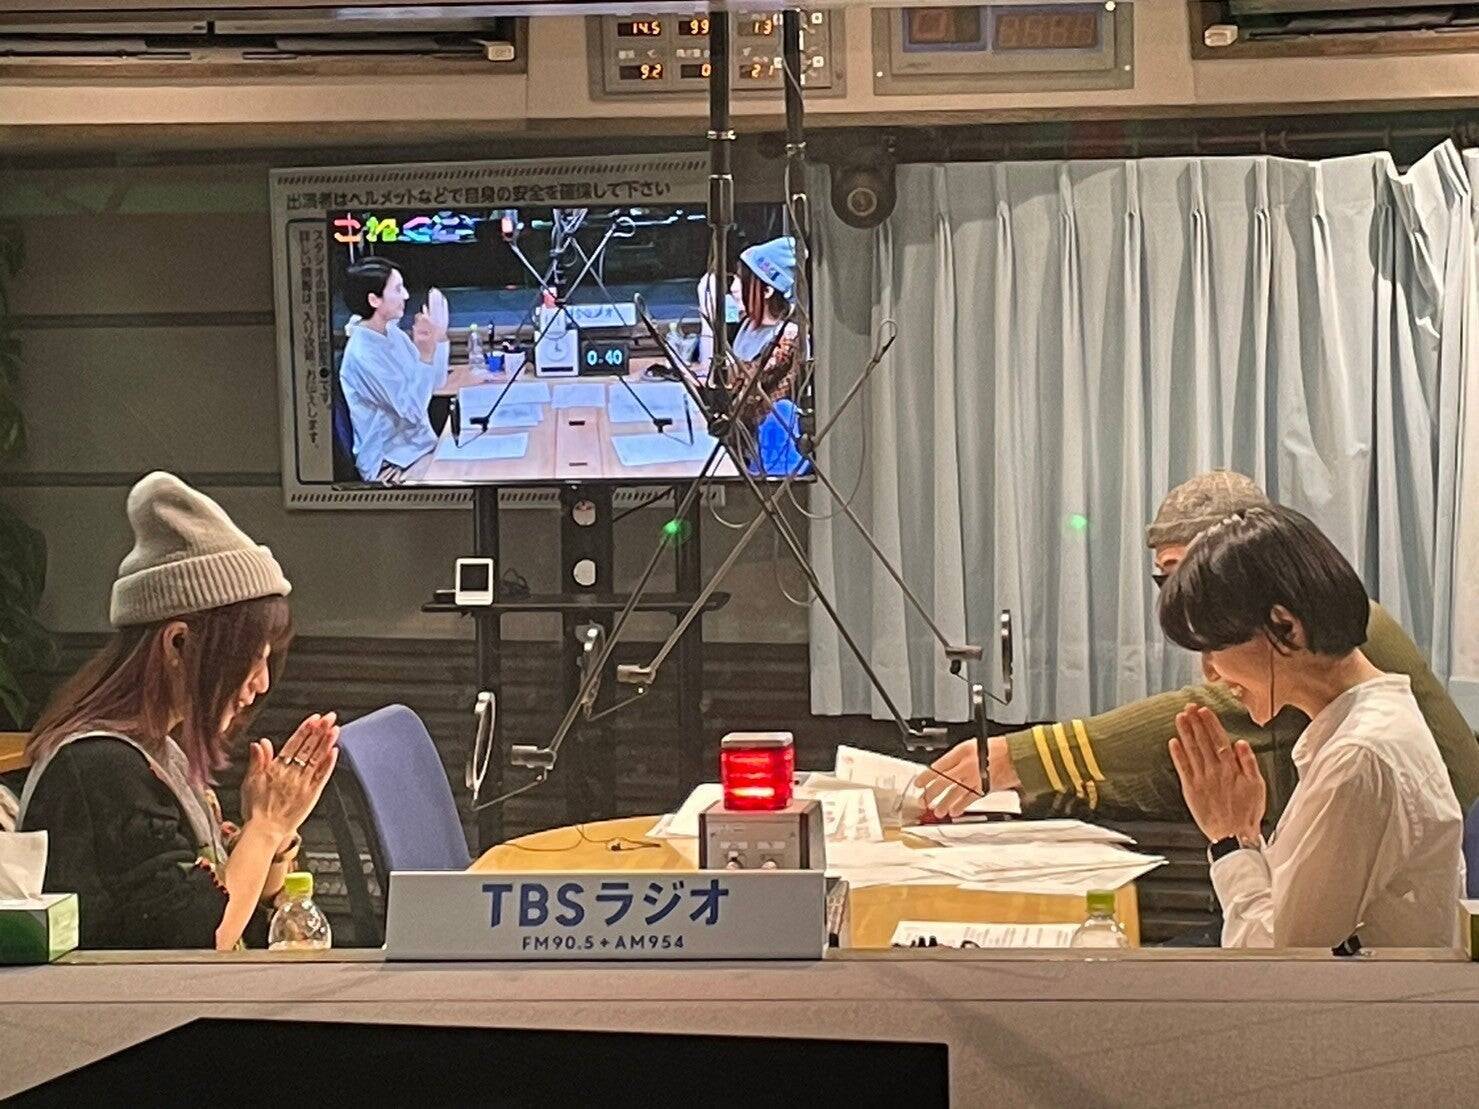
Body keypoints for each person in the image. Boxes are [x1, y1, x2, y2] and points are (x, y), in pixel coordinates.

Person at [917, 471, 1479, 823]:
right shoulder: (1276, 652)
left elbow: (1197, 717)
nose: (1178, 595)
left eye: (1184, 573)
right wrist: (1032, 796)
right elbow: (1185, 763)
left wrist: (1017, 757)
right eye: (1164, 580)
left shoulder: (1341, 635)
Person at [18, 472, 340, 951]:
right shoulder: (99, 767)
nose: (261, 683)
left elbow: (246, 921)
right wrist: (266, 824)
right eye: (251, 658)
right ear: (178, 643)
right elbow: (201, 937)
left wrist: (276, 836)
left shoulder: (154, 753)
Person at [1158, 506, 1461, 948]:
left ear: (1285, 627)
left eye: (1214, 647)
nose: (1211, 673)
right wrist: (1245, 835)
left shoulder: (1358, 757)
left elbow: (1287, 965)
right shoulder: (1360, 728)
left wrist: (1230, 841)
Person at [338, 256, 451, 483]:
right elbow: (412, 410)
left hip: (420, 450)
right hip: (392, 465)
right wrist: (425, 354)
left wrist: (438, 338)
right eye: (398, 289)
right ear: (374, 300)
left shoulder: (393, 334)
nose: (406, 296)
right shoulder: (363, 354)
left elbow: (435, 383)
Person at [728, 237, 803, 462]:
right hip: (737, 442)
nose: (733, 288)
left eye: (741, 280)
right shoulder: (748, 326)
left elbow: (747, 398)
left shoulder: (786, 338)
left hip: (764, 450)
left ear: (768, 290)